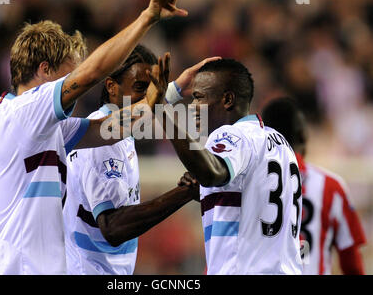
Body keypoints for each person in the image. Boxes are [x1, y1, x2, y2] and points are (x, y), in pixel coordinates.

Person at [0, 0, 188, 275]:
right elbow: (93, 74)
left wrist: (169, 93)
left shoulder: (30, 124)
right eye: (66, 77)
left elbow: (111, 127)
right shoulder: (26, 111)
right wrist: (147, 17)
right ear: (45, 70)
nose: (75, 90)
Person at [63, 44, 216, 274]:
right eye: (140, 87)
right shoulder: (104, 144)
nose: (151, 97)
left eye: (155, 89)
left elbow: (144, 107)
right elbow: (112, 227)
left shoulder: (118, 132)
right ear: (111, 87)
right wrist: (184, 192)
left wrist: (174, 89)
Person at [152, 58, 303, 274]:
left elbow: (213, 173)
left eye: (199, 98)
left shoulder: (231, 135)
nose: (193, 107)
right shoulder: (280, 142)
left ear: (228, 100)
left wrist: (161, 109)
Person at [261, 97, 366, 275]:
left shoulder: (244, 183)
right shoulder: (331, 187)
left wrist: (195, 113)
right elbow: (351, 261)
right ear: (303, 134)